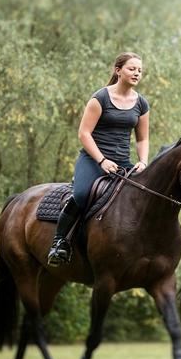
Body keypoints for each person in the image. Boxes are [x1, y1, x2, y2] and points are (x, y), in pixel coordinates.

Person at [47, 52, 150, 266]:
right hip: (93, 160)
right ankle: (59, 242)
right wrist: (102, 160)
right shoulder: (100, 98)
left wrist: (143, 161)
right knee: (82, 194)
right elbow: (84, 134)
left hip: (123, 162)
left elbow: (143, 138)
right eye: (132, 69)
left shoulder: (141, 103)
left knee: (141, 196)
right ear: (118, 70)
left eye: (139, 70)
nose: (137, 73)